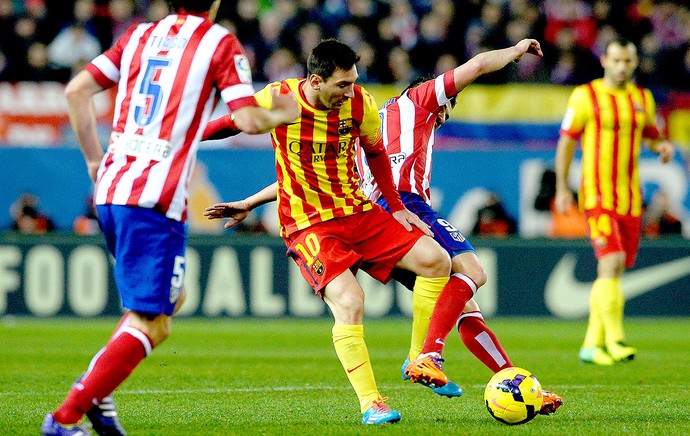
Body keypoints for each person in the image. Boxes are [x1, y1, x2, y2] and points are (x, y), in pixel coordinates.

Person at [42, 0, 299, 434]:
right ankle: (65, 418)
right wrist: (284, 113)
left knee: (168, 302)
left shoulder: (139, 35)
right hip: (154, 196)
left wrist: (92, 160)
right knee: (155, 322)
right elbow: (249, 118)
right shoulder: (219, 42)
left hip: (112, 187)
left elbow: (76, 91)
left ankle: (98, 396)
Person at [204, 38, 479, 425]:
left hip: (358, 211)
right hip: (308, 225)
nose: (350, 91)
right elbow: (229, 123)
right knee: (350, 301)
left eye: (352, 82)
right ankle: (372, 403)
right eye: (341, 85)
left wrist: (397, 209)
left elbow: (377, 153)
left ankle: (419, 359)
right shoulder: (279, 100)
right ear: (315, 81)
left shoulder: (359, 104)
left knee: (436, 260)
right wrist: (183, 140)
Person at [354, 38, 561, 415]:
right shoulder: (421, 99)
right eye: (448, 109)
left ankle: (519, 384)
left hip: (372, 218)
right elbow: (478, 65)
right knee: (473, 270)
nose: (445, 117)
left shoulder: (371, 120)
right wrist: (514, 51)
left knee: (465, 304)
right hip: (404, 203)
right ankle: (427, 354)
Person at [555, 37, 675, 366]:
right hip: (597, 195)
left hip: (631, 199)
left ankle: (591, 345)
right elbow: (566, 143)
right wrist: (563, 188)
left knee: (615, 269)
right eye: (617, 60)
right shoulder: (585, 96)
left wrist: (661, 146)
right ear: (604, 61)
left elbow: (650, 134)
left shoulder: (642, 98)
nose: (622, 67)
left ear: (635, 64)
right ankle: (616, 339)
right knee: (611, 261)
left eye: (628, 62)